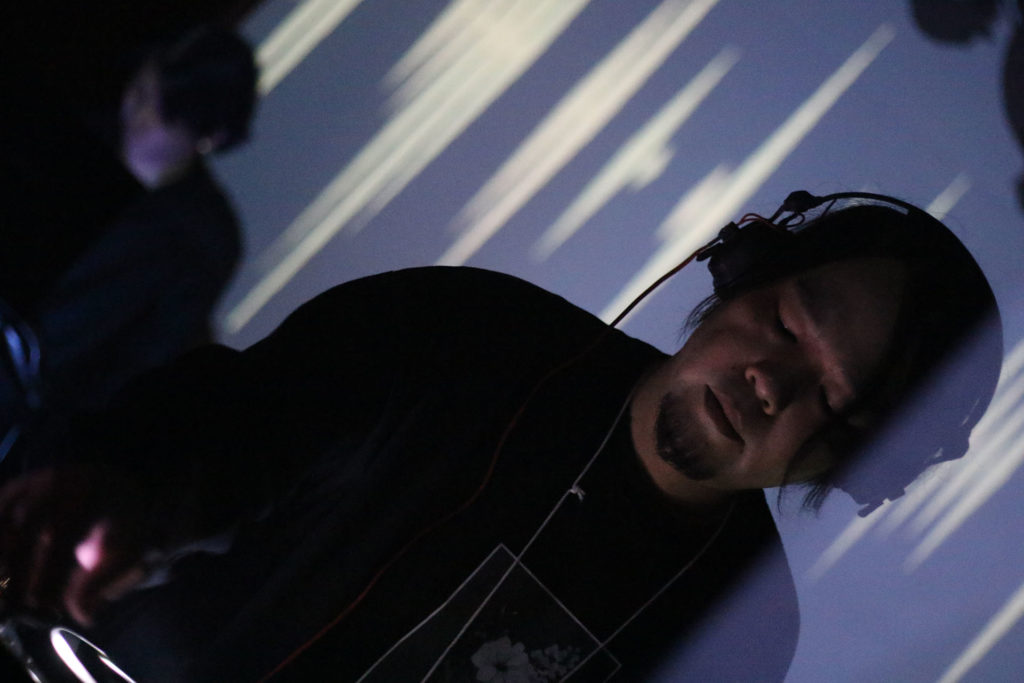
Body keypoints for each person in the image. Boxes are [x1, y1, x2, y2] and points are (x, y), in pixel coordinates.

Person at [0, 192, 1002, 681]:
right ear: (740, 273)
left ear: (853, 462)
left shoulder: (745, 635)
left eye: (829, 399)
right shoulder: (469, 331)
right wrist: (117, 478)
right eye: (784, 325)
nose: (770, 384)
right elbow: (224, 422)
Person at [0, 25, 259, 468]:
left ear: (207, 136)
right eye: (138, 91)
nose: (132, 109)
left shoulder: (201, 241)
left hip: (26, 409)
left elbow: (138, 367)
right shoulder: (73, 132)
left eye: (154, 108)